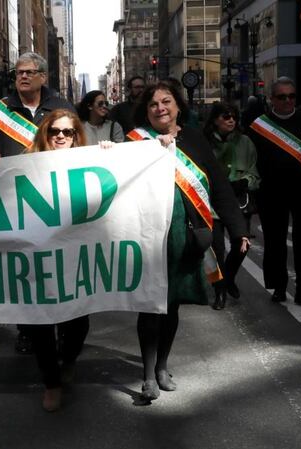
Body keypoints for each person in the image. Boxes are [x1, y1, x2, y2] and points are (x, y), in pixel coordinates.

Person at [126, 81, 250, 402]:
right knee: (151, 305)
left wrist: (238, 229)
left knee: (173, 304)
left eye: (166, 101)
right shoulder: (134, 142)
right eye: (153, 104)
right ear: (147, 111)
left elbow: (219, 186)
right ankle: (147, 374)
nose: (160, 108)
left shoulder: (194, 138)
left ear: (178, 106)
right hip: (149, 237)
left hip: (186, 235)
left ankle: (163, 367)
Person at [0, 51, 75, 355]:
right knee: (24, 270)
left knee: (57, 269)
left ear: (43, 76)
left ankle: (61, 326)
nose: (22, 76)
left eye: (30, 72)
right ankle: (25, 329)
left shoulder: (61, 107)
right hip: (15, 205)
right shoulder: (0, 111)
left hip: (56, 204)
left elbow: (81, 147)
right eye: (18, 72)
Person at [20, 109, 98, 412]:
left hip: (75, 257)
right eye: (55, 131)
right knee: (41, 324)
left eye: (68, 131)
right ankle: (51, 382)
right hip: (37, 256)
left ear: (77, 135)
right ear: (46, 134)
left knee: (78, 321)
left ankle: (69, 358)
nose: (61, 136)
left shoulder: (93, 160)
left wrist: (108, 154)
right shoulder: (26, 161)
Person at [248, 77, 301, 308]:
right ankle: (279, 287)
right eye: (282, 96)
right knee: (274, 241)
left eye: (291, 96)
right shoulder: (259, 126)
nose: (287, 101)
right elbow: (250, 159)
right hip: (271, 193)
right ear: (272, 99)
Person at [203, 102, 260, 310]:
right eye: (226, 116)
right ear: (215, 119)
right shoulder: (205, 143)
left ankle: (228, 278)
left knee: (241, 245)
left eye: (234, 116)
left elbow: (254, 171)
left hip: (238, 203)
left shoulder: (245, 142)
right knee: (216, 249)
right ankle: (220, 290)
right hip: (212, 203)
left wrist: (246, 182)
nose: (231, 120)